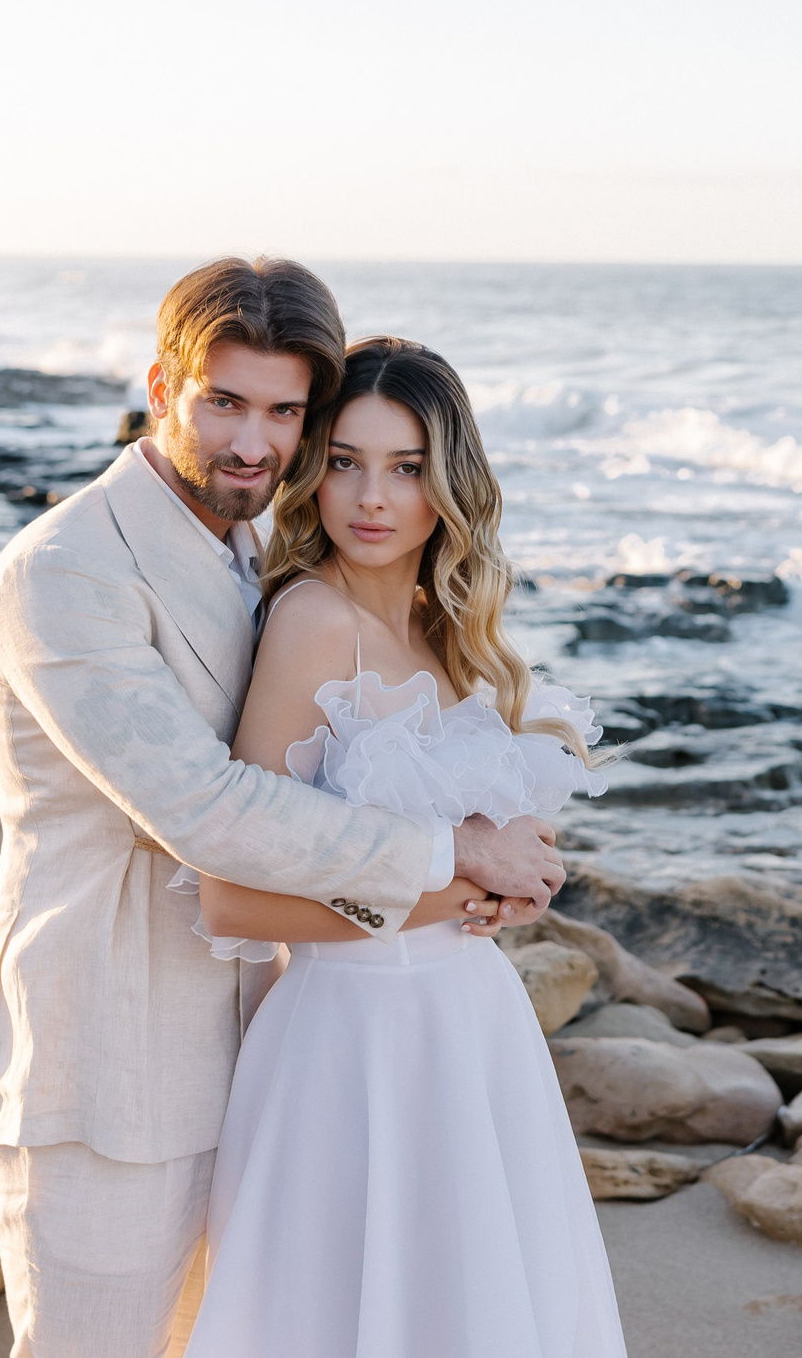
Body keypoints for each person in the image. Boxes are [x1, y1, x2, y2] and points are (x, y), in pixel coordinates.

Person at [0, 259, 567, 1358]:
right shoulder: (69, 571)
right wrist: (452, 857)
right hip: (109, 1060)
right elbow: (202, 806)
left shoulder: (249, 553)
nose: (254, 443)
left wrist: (471, 879)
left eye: (285, 412)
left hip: (264, 1051)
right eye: (224, 402)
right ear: (160, 385)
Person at [175, 336, 628, 1358]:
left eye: (405, 467)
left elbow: (484, 824)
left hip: (473, 1032)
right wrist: (462, 882)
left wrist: (522, 871)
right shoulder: (308, 623)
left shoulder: (450, 627)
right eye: (343, 461)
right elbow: (229, 904)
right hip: (351, 1044)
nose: (369, 498)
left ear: (449, 483)